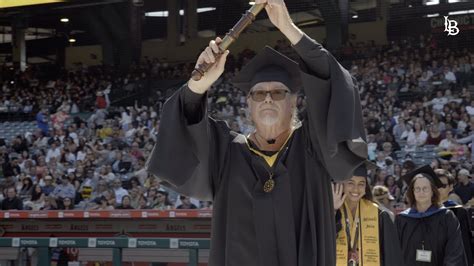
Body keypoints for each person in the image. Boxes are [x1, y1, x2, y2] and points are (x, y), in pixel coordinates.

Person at [146, 0, 367, 264]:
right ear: (248, 104)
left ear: (293, 101)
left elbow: (335, 83)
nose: (268, 99)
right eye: (259, 93)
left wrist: (288, 27)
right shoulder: (227, 153)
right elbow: (185, 122)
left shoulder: (313, 147)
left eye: (277, 92)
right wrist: (198, 86)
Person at [332, 162, 403, 266]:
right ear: (342, 184)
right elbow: (320, 245)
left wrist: (364, 255)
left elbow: (391, 257)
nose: (356, 189)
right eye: (350, 183)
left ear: (366, 187)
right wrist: (333, 211)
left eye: (361, 184)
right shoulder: (330, 212)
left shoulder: (380, 215)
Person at [395, 165, 467, 266]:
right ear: (412, 192)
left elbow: (454, 250)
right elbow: (395, 252)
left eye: (425, 189)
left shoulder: (446, 217)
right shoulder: (402, 219)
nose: (421, 192)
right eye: (417, 189)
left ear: (433, 191)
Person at [436, 169, 473, 265]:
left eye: (443, 186)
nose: (438, 189)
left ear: (451, 187)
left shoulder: (458, 211)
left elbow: (465, 243)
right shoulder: (423, 211)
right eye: (436, 185)